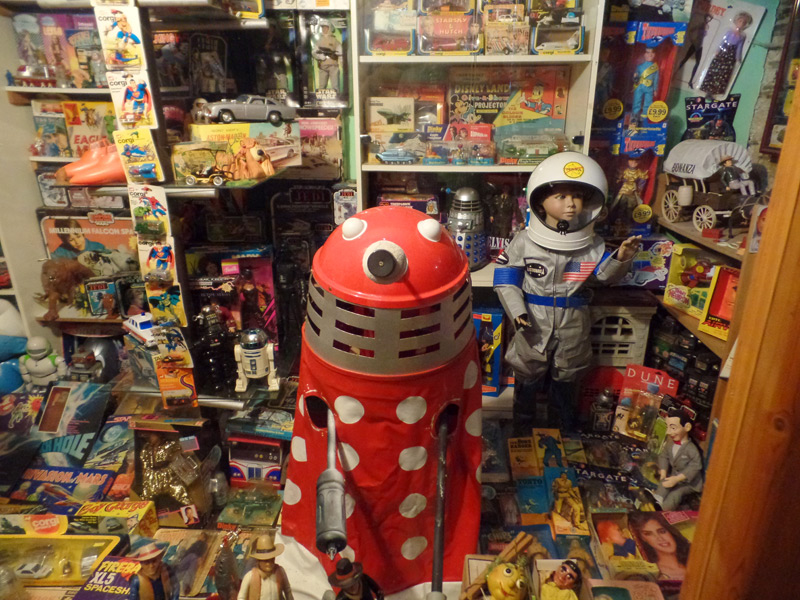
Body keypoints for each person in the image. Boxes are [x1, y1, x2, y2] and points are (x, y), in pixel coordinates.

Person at [493, 153, 639, 431]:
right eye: (561, 196)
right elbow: (506, 279)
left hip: (573, 321)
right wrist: (518, 313)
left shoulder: (591, 245)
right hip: (533, 320)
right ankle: (522, 429)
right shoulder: (524, 242)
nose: (571, 204)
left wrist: (621, 258)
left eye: (577, 196)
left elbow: (602, 277)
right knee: (527, 375)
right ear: (539, 201)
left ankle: (561, 431)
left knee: (567, 377)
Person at [653, 412, 704, 510]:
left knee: (675, 494)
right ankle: (657, 501)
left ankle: (665, 510)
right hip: (674, 476)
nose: (668, 432)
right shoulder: (670, 444)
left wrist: (677, 479)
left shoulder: (691, 449)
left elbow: (695, 466)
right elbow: (664, 456)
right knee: (664, 484)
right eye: (667, 427)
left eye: (673, 428)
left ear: (687, 427)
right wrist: (663, 473)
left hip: (689, 483)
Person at [698, 12, 753, 97]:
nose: (741, 23)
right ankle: (707, 88)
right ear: (736, 21)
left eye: (744, 22)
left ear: (745, 25)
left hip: (731, 55)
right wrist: (717, 50)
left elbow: (739, 48)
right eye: (740, 21)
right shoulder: (729, 32)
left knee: (724, 73)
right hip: (723, 53)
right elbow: (723, 42)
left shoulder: (742, 36)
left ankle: (716, 91)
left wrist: (738, 58)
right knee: (715, 69)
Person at [629, 512, 691, 581]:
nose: (659, 538)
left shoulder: (693, 559)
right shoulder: (653, 573)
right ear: (644, 539)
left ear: (670, 532)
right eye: (649, 534)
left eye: (662, 531)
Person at [237, 532, 293, 600]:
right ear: (259, 560)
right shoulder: (250, 576)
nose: (268, 564)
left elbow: (287, 590)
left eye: (271, 560)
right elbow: (241, 597)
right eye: (265, 561)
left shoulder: (280, 571)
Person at [312, 19, 341, 92]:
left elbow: (340, 51)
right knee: (322, 87)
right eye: (323, 28)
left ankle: (336, 97)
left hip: (333, 66)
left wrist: (336, 55)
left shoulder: (334, 40)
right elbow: (314, 52)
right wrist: (320, 56)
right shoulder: (319, 41)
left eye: (326, 27)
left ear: (329, 28)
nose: (324, 29)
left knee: (335, 86)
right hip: (323, 67)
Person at [631, 47, 659, 123]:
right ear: (644, 54)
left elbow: (656, 79)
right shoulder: (639, 66)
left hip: (649, 88)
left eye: (652, 53)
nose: (650, 54)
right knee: (637, 101)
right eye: (648, 52)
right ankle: (635, 116)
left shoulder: (655, 67)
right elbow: (635, 76)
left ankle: (645, 117)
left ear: (654, 54)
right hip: (639, 86)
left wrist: (655, 89)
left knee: (648, 102)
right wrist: (635, 77)